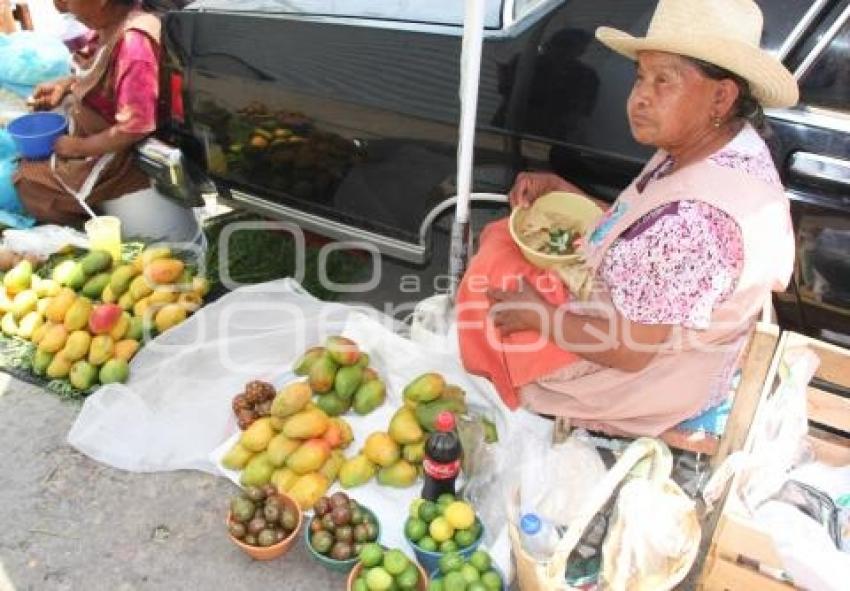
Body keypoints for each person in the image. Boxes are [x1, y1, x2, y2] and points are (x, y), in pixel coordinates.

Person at [457, 0, 798, 436]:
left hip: (644, 374)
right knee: (503, 247)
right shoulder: (723, 145)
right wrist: (567, 191)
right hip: (660, 331)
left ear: (722, 95)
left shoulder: (696, 221)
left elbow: (630, 350)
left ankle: (515, 380)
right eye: (641, 77)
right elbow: (647, 235)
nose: (640, 97)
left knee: (489, 301)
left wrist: (539, 317)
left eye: (664, 81)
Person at [14, 0, 199, 244]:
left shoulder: (135, 43)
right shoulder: (109, 26)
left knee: (30, 182)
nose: (62, 8)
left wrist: (79, 147)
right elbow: (96, 69)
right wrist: (65, 85)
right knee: (27, 169)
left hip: (124, 161)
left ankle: (89, 234)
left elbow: (134, 127)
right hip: (102, 145)